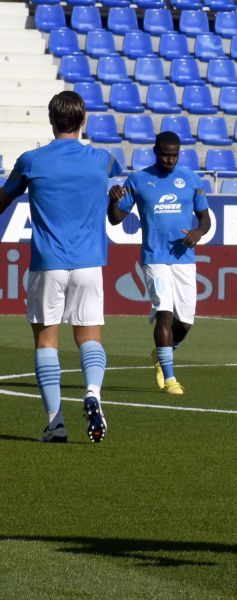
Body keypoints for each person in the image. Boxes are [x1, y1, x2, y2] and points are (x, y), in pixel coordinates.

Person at [0, 91, 123, 443]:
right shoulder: (104, 161)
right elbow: (117, 216)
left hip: (48, 263)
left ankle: (56, 422)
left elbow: (2, 200)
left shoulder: (31, 161)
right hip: (89, 263)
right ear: (83, 121)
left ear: (51, 121)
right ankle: (93, 394)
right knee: (89, 336)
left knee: (46, 341)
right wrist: (114, 203)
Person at [108, 132, 210, 395]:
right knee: (164, 311)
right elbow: (115, 219)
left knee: (185, 322)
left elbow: (205, 218)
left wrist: (198, 233)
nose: (170, 159)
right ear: (155, 151)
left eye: (175, 155)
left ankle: (160, 354)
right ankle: (170, 378)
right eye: (166, 154)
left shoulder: (190, 180)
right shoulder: (139, 179)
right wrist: (112, 201)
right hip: (154, 256)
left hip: (184, 258)